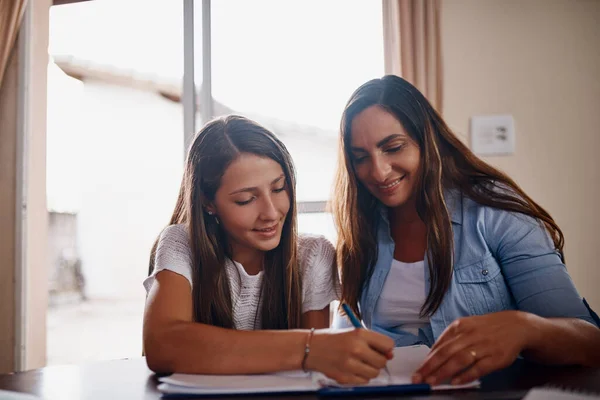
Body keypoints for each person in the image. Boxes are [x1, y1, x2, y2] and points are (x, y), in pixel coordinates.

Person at [330, 75, 600, 386]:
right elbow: (348, 326)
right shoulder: (361, 225)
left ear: (427, 139)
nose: (378, 172)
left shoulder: (495, 212)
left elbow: (591, 343)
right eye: (360, 158)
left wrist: (524, 328)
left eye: (393, 147)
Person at [143, 115, 394, 384]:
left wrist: (317, 351)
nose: (271, 213)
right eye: (246, 200)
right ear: (208, 203)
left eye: (278, 188)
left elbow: (311, 373)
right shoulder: (181, 243)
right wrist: (310, 347)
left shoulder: (313, 255)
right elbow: (162, 345)